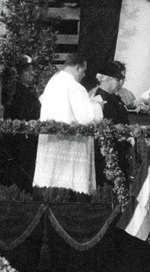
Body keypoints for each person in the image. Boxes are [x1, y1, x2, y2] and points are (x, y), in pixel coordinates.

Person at [32, 54, 102, 194]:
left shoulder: (52, 82)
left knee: (51, 186)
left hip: (50, 144)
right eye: (83, 70)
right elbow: (86, 118)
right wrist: (97, 106)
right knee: (70, 188)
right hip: (69, 145)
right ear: (77, 68)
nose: (84, 75)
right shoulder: (75, 87)